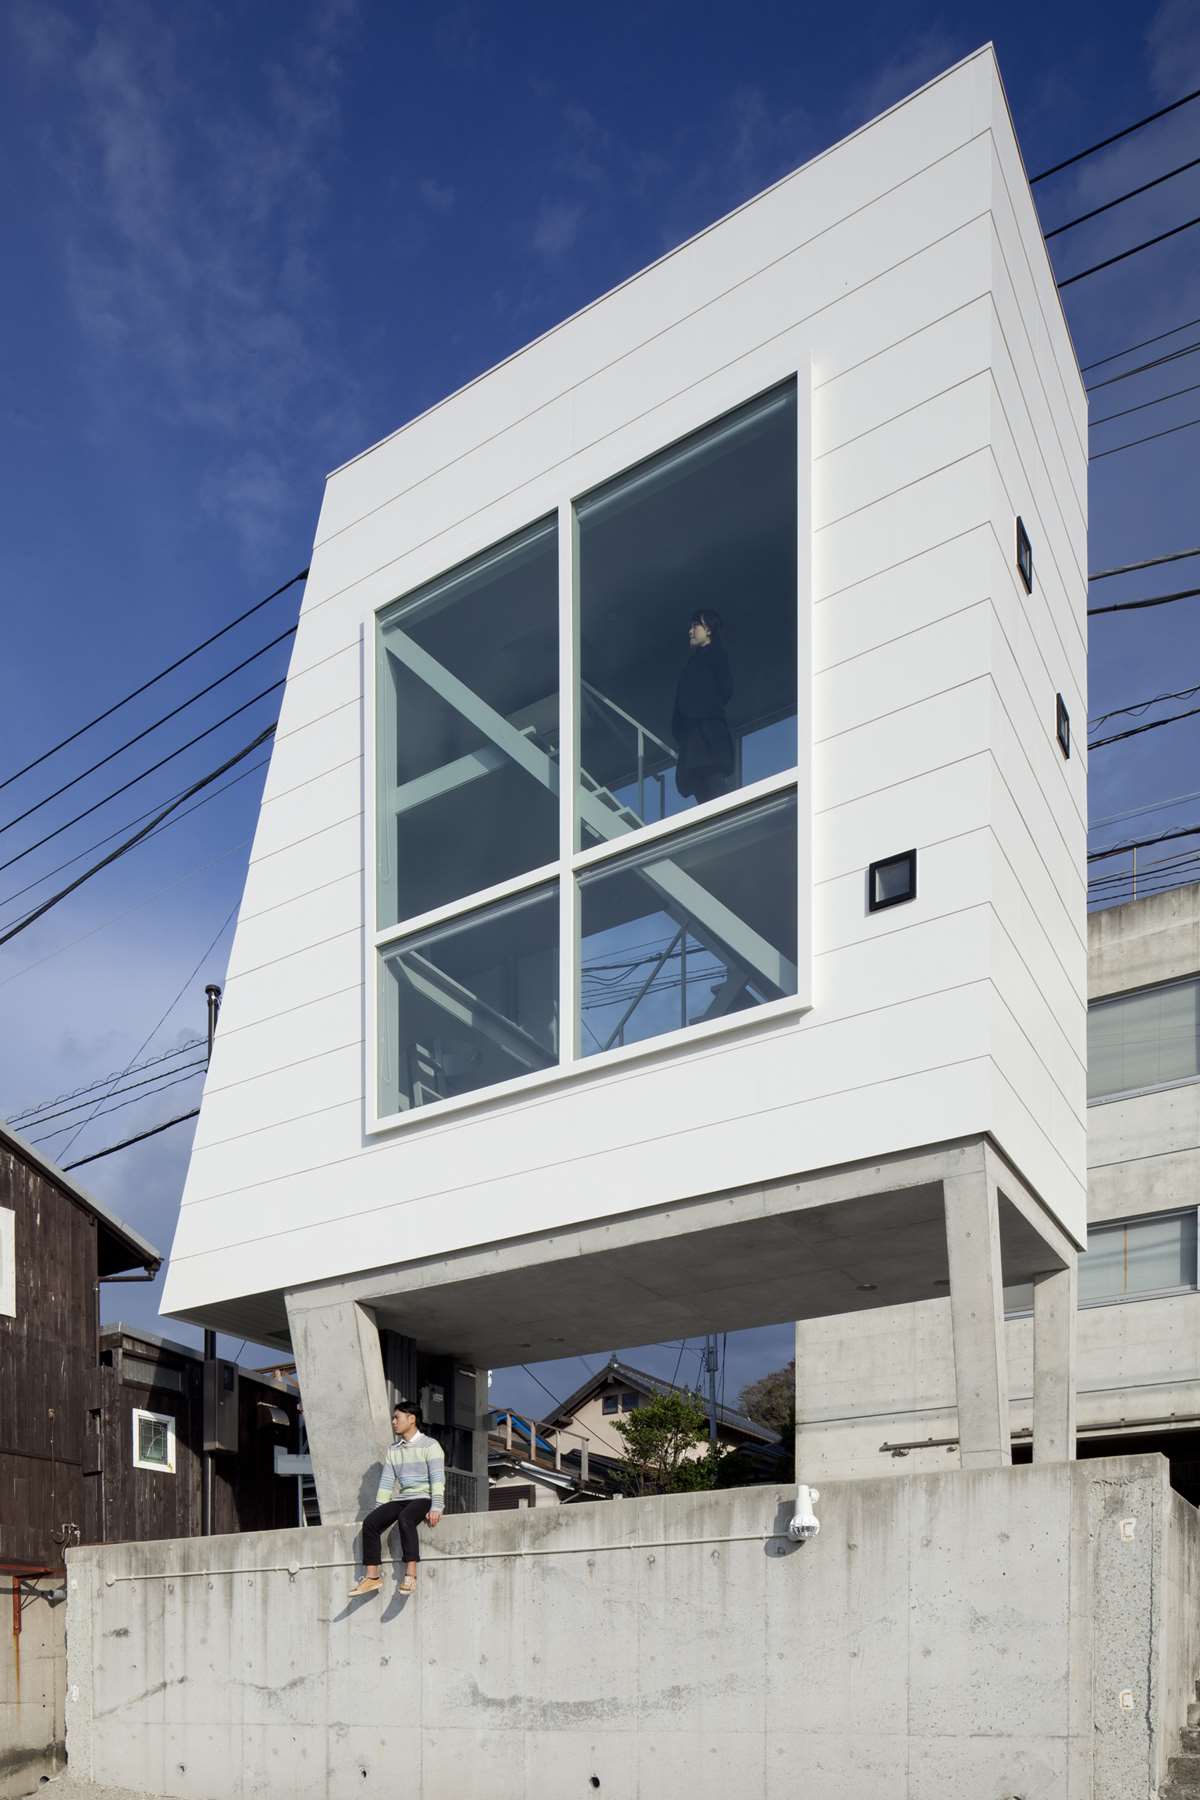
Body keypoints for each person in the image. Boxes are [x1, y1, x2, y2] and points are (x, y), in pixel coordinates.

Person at [349, 1399, 444, 1598]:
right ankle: (372, 1577)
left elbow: (437, 1479)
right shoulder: (394, 1449)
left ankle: (410, 1575)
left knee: (405, 1519)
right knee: (371, 1523)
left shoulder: (430, 1445)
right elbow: (386, 1482)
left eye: (396, 1417)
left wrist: (436, 1506)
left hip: (423, 1497)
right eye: (393, 1418)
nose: (393, 1422)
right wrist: (379, 1508)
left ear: (411, 1419)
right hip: (402, 1498)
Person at [671, 609, 734, 804]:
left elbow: (725, 688)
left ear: (708, 630)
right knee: (701, 788)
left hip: (708, 736)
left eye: (695, 626)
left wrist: (701, 709)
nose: (690, 631)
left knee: (714, 786)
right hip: (694, 738)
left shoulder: (716, 656)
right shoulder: (694, 662)